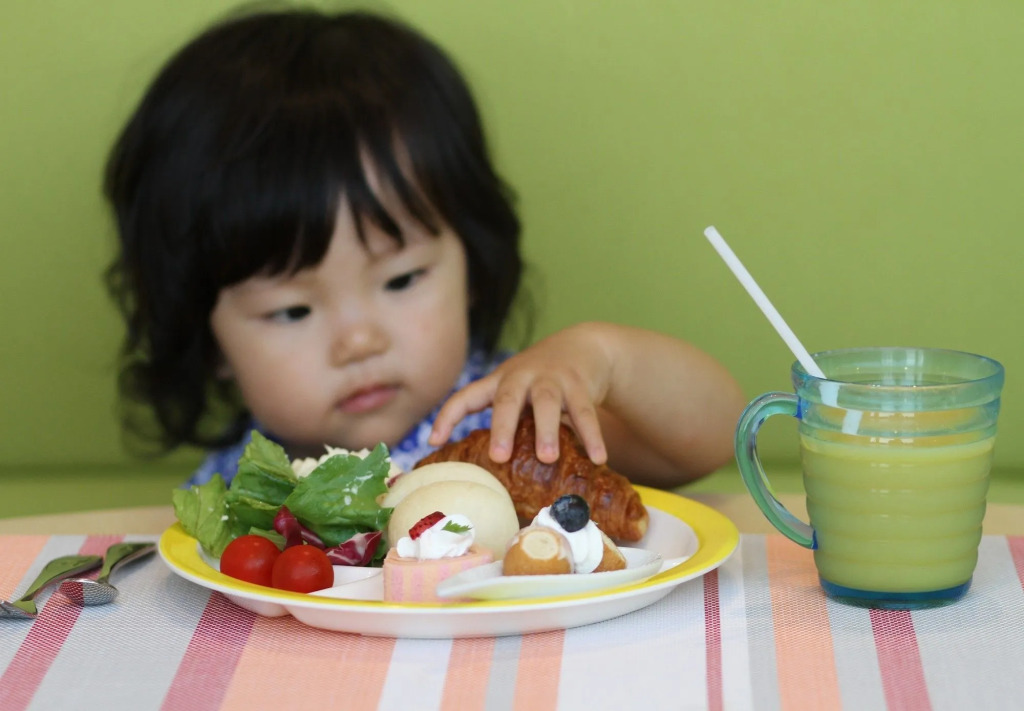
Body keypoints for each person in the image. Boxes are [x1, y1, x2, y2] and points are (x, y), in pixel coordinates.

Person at [103, 5, 745, 490]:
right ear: (209, 338)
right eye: (292, 310)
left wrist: (601, 355)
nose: (360, 342)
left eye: (402, 279)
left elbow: (714, 436)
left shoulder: (516, 417)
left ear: (471, 262)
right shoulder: (237, 494)